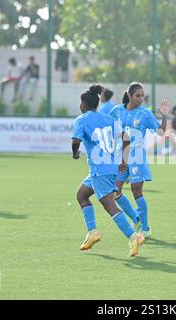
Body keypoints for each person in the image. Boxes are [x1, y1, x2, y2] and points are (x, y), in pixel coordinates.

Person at [72, 84, 144, 256]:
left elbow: (75, 141)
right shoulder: (108, 119)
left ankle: (133, 237)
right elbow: (126, 138)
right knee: (81, 195)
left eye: (80, 103)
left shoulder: (81, 119)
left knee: (110, 206)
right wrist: (123, 160)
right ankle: (92, 232)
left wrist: (75, 153)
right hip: (110, 167)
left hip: (100, 170)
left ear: (84, 104)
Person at [109, 82, 170, 239]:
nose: (141, 98)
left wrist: (164, 115)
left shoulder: (145, 113)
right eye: (138, 96)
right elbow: (108, 128)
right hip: (121, 156)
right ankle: (136, 218)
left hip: (137, 157)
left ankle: (146, 227)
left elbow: (161, 132)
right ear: (129, 95)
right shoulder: (116, 111)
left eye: (143, 96)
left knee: (137, 190)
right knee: (115, 191)